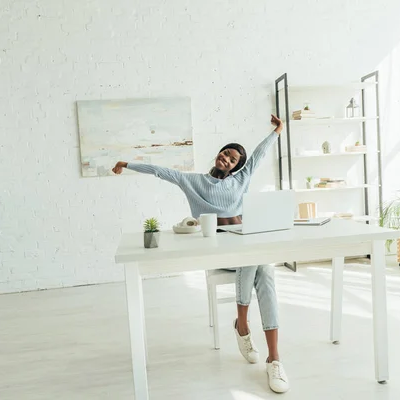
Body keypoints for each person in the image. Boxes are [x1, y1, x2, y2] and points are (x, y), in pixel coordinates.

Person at [112, 115, 289, 394]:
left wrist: (277, 131)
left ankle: (271, 354)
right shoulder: (192, 181)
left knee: (261, 266)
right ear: (218, 154)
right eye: (226, 154)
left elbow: (259, 153)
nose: (227, 159)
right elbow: (160, 171)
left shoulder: (242, 179)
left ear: (235, 169)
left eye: (233, 160)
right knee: (257, 263)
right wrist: (126, 164)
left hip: (244, 250)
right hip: (219, 255)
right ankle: (246, 330)